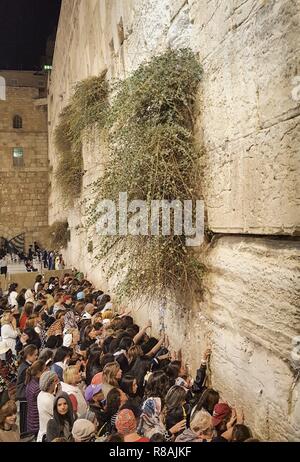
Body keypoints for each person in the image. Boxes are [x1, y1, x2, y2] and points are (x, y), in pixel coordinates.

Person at [16, 345, 38, 435]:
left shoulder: (26, 365)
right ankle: (25, 434)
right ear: (29, 355)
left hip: (25, 395)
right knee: (25, 416)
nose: (36, 357)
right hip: (24, 396)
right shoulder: (25, 367)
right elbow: (26, 383)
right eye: (35, 355)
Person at [37, 371, 60, 442]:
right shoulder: (48, 399)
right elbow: (61, 414)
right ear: (50, 384)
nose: (58, 382)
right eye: (56, 380)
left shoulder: (41, 394)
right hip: (49, 435)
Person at [25, 360, 46, 437]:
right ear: (39, 372)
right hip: (37, 421)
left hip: (32, 419)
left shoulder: (30, 382)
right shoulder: (37, 387)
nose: (47, 371)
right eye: (45, 369)